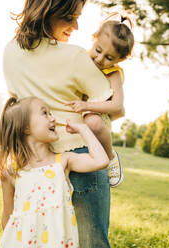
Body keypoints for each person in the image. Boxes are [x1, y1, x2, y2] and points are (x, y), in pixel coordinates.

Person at [3, 0, 122, 247]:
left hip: (34, 165)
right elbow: (111, 109)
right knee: (92, 243)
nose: (76, 26)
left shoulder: (10, 52)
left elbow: (17, 109)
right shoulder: (75, 56)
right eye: (70, 18)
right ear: (50, 11)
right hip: (82, 158)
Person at [0, 96, 109, 247]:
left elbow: (101, 161)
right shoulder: (11, 172)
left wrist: (83, 129)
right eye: (45, 113)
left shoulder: (62, 161)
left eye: (51, 113)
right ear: (25, 128)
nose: (53, 118)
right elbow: (8, 218)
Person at [66, 14, 134, 188]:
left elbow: (118, 105)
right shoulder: (82, 58)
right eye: (98, 50)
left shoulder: (113, 74)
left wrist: (87, 106)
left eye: (109, 57)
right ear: (94, 38)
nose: (100, 59)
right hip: (76, 115)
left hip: (98, 114)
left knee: (93, 122)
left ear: (121, 59)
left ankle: (111, 157)